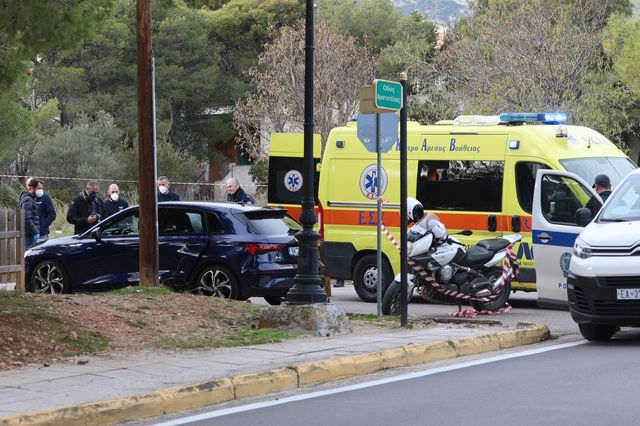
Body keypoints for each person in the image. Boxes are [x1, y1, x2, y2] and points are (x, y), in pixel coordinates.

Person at [20, 178, 40, 250]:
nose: (39, 190)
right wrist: (35, 232)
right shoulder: (28, 199)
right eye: (38, 188)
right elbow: (26, 218)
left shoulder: (31, 199)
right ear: (31, 188)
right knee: (28, 257)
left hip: (31, 233)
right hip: (29, 234)